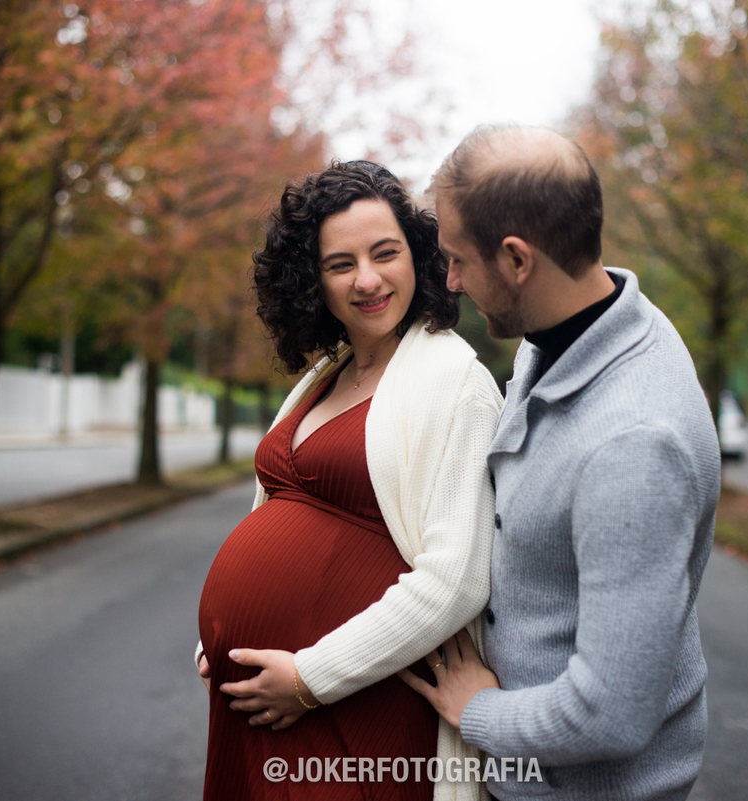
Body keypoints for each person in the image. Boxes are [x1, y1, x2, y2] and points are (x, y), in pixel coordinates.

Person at [399, 125, 721, 800]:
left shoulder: (634, 444)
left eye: (458, 259)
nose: (450, 281)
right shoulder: (567, 330)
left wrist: (477, 711)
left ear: (518, 259)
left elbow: (612, 710)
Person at [196, 160, 501, 801]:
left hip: (354, 710)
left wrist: (310, 676)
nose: (367, 280)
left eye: (385, 254)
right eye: (341, 264)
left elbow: (457, 580)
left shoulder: (456, 382)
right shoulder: (327, 375)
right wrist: (217, 641)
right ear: (314, 282)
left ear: (418, 257)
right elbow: (273, 511)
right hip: (262, 702)